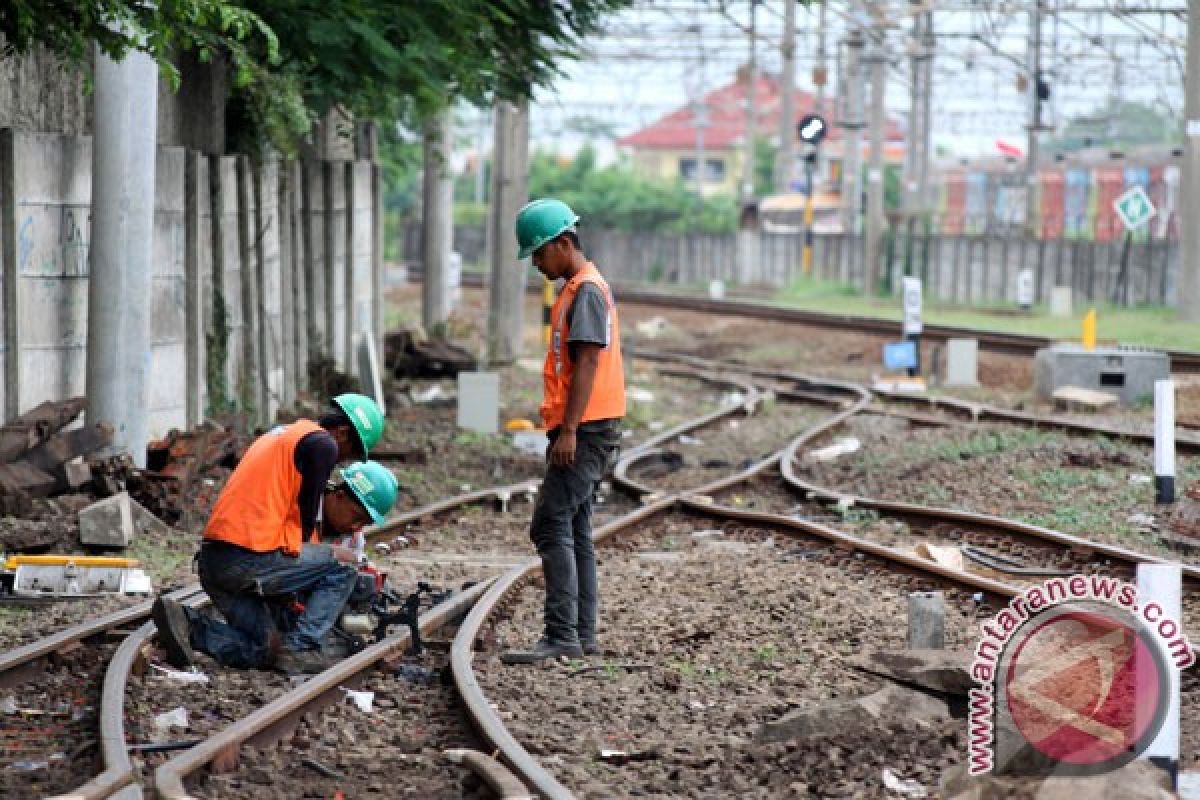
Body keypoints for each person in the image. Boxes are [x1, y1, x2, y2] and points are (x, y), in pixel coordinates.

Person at [152, 394, 393, 674]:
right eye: (349, 454)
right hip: (248, 555)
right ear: (341, 433)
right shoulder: (322, 444)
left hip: (215, 562)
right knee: (346, 562)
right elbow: (306, 521)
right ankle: (302, 647)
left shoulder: (285, 436)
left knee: (266, 649)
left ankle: (187, 624)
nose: (341, 462)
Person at [502, 198, 626, 664]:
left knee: (550, 522)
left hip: (587, 427)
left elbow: (589, 362)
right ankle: (581, 635)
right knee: (574, 526)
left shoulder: (587, 291)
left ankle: (563, 636)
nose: (535, 263)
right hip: (585, 425)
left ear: (564, 243)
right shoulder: (579, 288)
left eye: (538, 252)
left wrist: (570, 429)